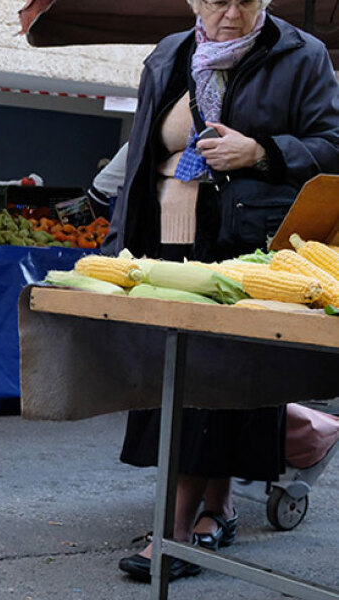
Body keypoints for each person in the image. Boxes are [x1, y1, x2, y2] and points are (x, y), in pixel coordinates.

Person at [101, 0, 339, 582]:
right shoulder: (168, 54)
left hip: (251, 248)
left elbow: (333, 143)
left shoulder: (301, 55)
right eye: (215, 0)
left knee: (219, 385)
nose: (230, 12)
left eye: (246, 0)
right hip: (168, 248)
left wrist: (261, 152)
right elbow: (141, 154)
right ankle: (218, 509)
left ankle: (175, 534)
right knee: (181, 382)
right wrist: (117, 238)